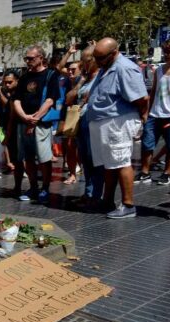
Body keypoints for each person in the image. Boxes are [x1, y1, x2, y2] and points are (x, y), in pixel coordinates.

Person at [88, 37, 148, 219]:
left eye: (100, 58)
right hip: (105, 123)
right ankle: (107, 201)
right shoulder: (106, 67)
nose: (97, 62)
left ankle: (128, 204)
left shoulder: (124, 68)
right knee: (110, 164)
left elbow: (141, 98)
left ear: (114, 53)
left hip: (117, 122)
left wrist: (141, 120)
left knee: (121, 162)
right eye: (95, 58)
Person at [12, 46, 60, 203]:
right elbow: (16, 99)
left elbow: (50, 99)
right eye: (26, 58)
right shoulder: (24, 77)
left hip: (40, 124)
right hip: (24, 123)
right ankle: (33, 187)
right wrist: (24, 116)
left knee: (44, 157)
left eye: (31, 58)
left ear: (41, 58)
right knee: (28, 158)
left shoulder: (50, 75)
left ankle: (45, 188)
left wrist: (36, 118)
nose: (28, 61)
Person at [67, 45, 104, 209]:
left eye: (86, 60)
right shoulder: (82, 79)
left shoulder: (102, 77)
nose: (83, 64)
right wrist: (80, 81)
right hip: (80, 122)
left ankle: (96, 195)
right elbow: (69, 99)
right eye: (82, 60)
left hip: (94, 122)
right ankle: (88, 193)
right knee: (85, 160)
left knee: (94, 159)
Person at [137, 40, 170, 185]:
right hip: (155, 114)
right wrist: (147, 112)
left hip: (169, 115)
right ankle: (145, 172)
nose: (167, 54)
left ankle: (167, 173)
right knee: (147, 144)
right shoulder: (158, 70)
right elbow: (153, 91)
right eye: (166, 51)